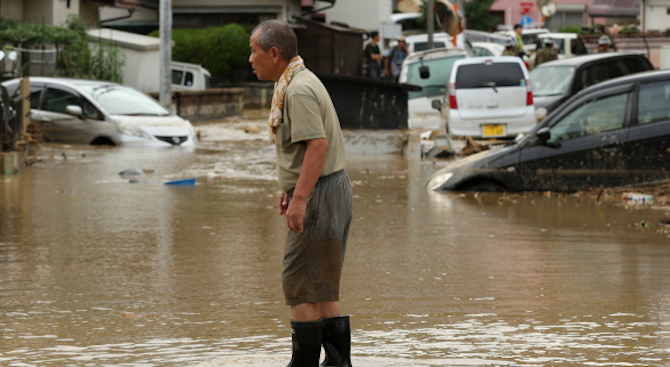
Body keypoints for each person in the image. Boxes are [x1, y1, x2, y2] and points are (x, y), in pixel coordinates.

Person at [248, 19, 354, 367]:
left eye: (255, 51)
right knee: (321, 286)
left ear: (274, 53)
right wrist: (290, 188)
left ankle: (305, 364)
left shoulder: (297, 90)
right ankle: (337, 364)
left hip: (321, 194)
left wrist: (299, 199)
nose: (251, 58)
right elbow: (306, 151)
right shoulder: (297, 81)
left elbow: (318, 147)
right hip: (327, 189)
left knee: (298, 284)